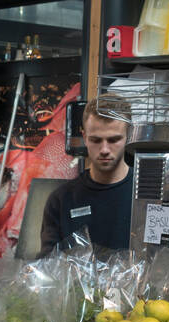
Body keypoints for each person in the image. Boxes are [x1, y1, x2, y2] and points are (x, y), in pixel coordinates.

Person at [38, 95, 134, 257]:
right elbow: (48, 267)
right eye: (96, 140)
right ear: (84, 138)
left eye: (113, 140)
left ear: (129, 136)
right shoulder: (61, 200)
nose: (104, 149)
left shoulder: (148, 197)